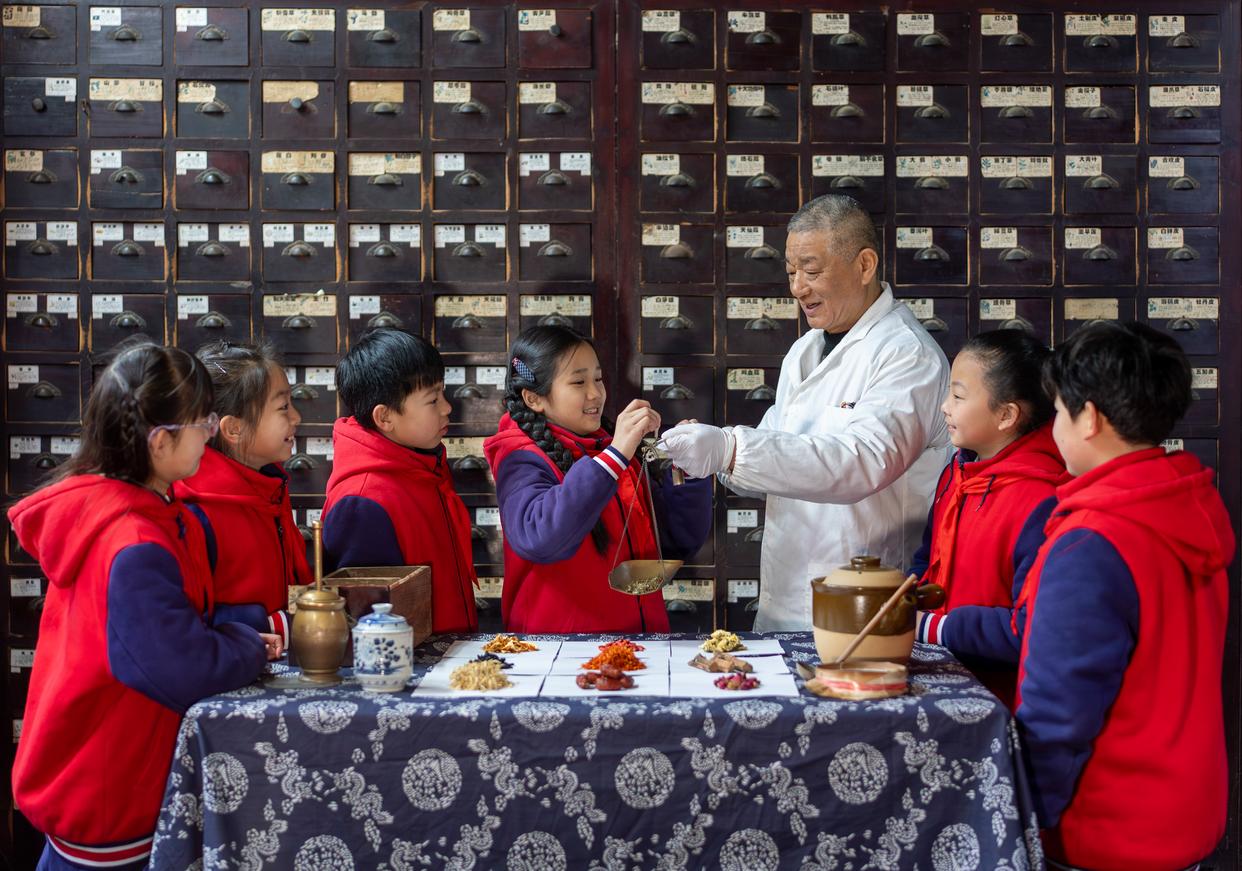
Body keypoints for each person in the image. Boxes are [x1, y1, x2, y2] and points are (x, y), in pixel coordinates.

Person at [925, 322, 1232, 871]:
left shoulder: (1092, 541)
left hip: (1107, 824)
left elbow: (1058, 712)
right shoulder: (1188, 507)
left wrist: (1020, 822)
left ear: (1088, 418)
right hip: (1186, 811)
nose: (1053, 428)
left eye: (1060, 412)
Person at [7, 342, 279, 871]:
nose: (210, 433)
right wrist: (248, 645)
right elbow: (183, 667)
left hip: (99, 772)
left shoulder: (138, 509)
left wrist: (245, 626)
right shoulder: (132, 541)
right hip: (110, 789)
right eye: (202, 422)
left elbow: (168, 624)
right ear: (160, 441)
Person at [661, 194, 951, 631]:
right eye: (792, 272)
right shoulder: (805, 350)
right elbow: (776, 456)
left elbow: (860, 463)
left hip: (863, 607)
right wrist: (709, 455)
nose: (798, 288)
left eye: (812, 272)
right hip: (785, 597)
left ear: (865, 265)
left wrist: (730, 448)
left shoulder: (907, 354)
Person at [483, 325, 713, 633]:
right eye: (579, 382)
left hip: (637, 644)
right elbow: (540, 537)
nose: (595, 393)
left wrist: (686, 467)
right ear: (534, 398)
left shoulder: (609, 451)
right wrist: (614, 456)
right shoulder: (520, 458)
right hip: (563, 650)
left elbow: (676, 542)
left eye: (599, 378)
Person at [906, 330, 1067, 704]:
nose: (944, 407)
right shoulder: (957, 473)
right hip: (937, 678)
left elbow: (1032, 630)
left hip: (997, 699)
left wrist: (930, 627)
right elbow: (926, 560)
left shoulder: (1041, 500)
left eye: (958, 396)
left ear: (1007, 415)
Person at [322, 328, 478, 634]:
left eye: (443, 393)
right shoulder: (362, 502)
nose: (447, 407)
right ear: (385, 418)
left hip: (449, 652)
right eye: (432, 400)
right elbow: (367, 624)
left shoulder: (419, 467)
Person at [177, 341, 310, 651]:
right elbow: (184, 622)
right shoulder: (196, 511)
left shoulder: (269, 487)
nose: (296, 417)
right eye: (283, 407)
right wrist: (270, 623)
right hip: (233, 668)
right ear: (233, 429)